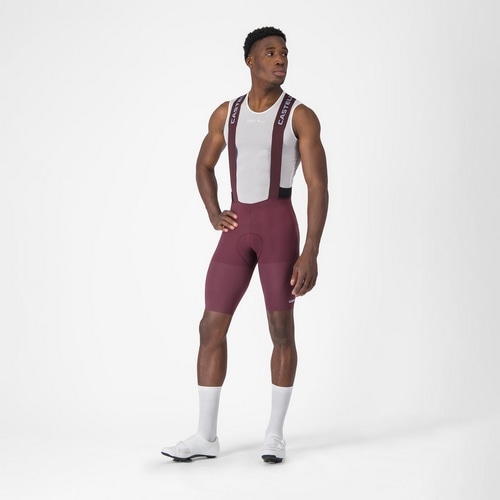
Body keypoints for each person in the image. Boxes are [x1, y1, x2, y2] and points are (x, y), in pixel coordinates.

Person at [161, 26, 328, 464]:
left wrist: (311, 250)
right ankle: (205, 437)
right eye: (270, 53)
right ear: (250, 61)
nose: (280, 59)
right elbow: (204, 165)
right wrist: (214, 212)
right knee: (209, 327)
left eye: (284, 53)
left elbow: (318, 185)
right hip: (236, 231)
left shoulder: (300, 116)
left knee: (281, 331)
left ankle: (274, 434)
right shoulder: (227, 113)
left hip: (278, 229)